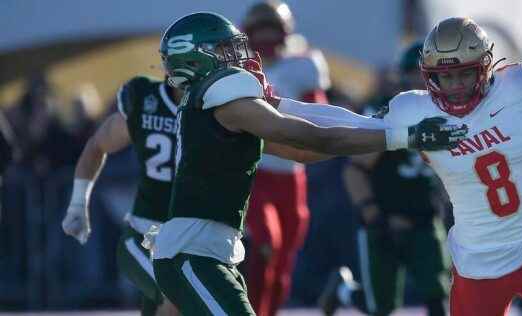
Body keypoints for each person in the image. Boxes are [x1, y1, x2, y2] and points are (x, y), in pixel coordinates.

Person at [146, 12, 466, 315]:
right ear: (195, 57)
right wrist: (403, 137)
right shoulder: (225, 102)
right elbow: (310, 136)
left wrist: (372, 125)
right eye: (223, 49)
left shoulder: (218, 109)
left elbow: (304, 151)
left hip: (207, 252)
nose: (237, 56)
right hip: (193, 253)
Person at [320, 17, 522, 316]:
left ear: (485, 68)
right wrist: (284, 118)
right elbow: (351, 135)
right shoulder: (411, 110)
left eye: (465, 73)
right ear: (430, 75)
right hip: (478, 268)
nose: (456, 85)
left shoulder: (516, 88)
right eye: (446, 76)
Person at [319, 42, 450, 316]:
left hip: (426, 220)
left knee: (438, 298)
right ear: (403, 75)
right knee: (380, 307)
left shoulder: (448, 113)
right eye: (417, 73)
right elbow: (355, 170)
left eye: (429, 74)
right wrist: (373, 215)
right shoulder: (390, 112)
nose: (423, 82)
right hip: (385, 222)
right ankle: (344, 290)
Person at [60, 72, 183, 315]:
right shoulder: (153, 109)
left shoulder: (209, 111)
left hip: (182, 228)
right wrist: (78, 204)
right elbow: (97, 146)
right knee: (174, 297)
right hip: (151, 224)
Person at [240, 2, 331, 314]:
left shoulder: (303, 64)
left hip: (292, 174)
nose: (266, 37)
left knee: (285, 257)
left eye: (271, 29)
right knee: (267, 243)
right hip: (256, 170)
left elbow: (318, 114)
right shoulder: (239, 66)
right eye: (260, 30)